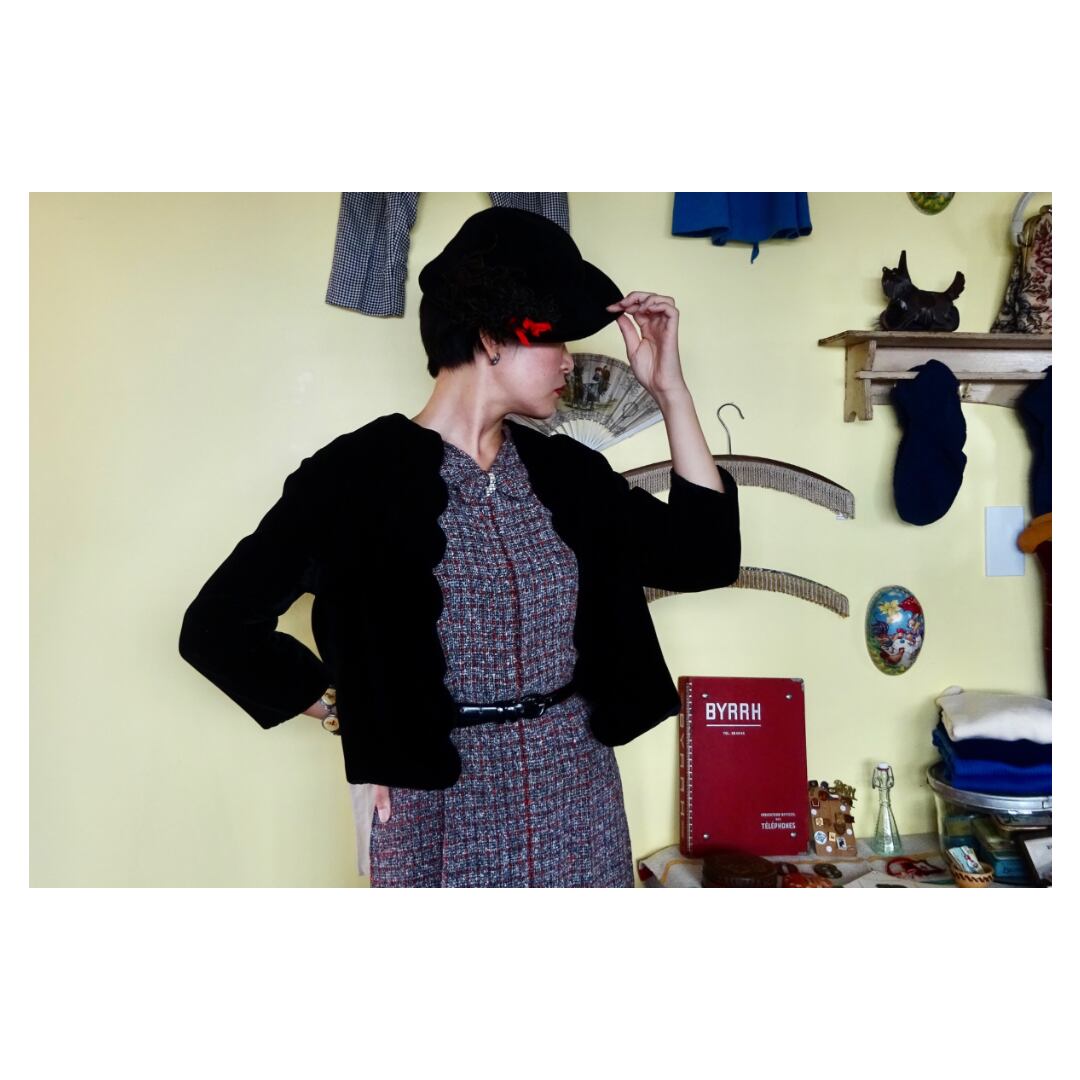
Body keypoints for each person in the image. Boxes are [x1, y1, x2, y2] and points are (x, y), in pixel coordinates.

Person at [179, 206, 741, 887]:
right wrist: (350, 715)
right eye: (556, 338)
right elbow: (216, 628)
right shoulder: (353, 478)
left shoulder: (567, 475)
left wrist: (671, 392)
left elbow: (704, 556)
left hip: (577, 790)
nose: (570, 359)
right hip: (435, 801)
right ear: (493, 336)